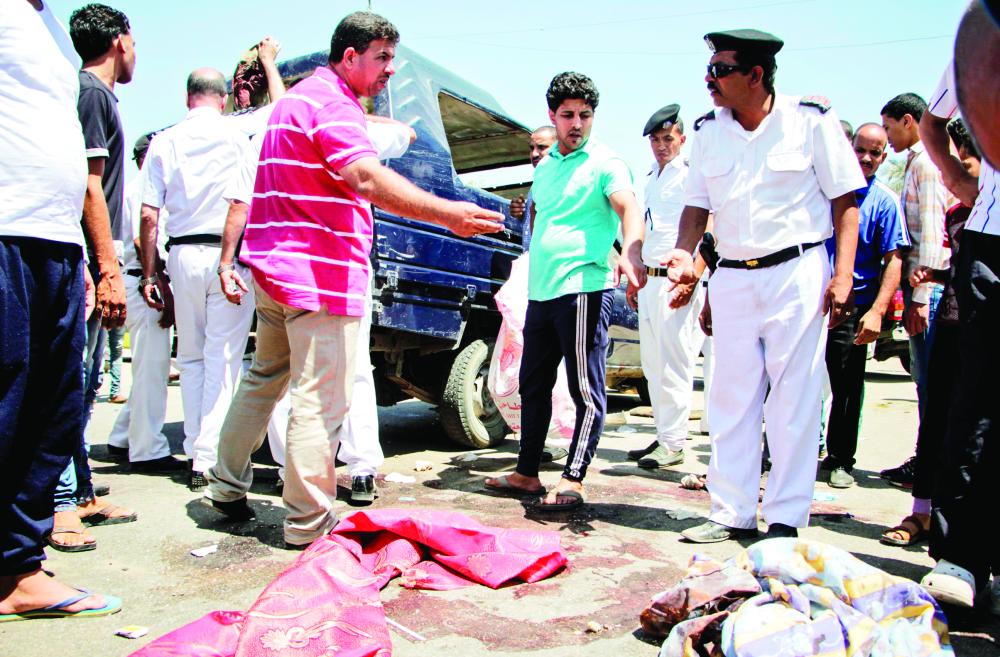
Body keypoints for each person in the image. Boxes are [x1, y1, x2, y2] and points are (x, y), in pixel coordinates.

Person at [203, 11, 503, 548]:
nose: (390, 70)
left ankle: (225, 488)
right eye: (382, 58)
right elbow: (363, 175)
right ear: (350, 57)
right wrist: (447, 213)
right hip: (319, 276)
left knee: (263, 381)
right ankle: (307, 522)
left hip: (274, 272)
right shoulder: (333, 105)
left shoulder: (294, 102)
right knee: (320, 400)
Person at [664, 29, 864, 543]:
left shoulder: (810, 123)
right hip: (732, 276)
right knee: (729, 400)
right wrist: (689, 257)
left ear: (756, 75)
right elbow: (697, 206)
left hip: (796, 273)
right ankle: (729, 512)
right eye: (709, 69)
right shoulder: (708, 132)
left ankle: (784, 518)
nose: (709, 80)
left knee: (793, 400)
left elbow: (846, 203)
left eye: (721, 70)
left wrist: (843, 275)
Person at [0, 0, 120, 620]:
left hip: (54, 243)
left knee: (52, 409)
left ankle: (17, 568)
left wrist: (101, 259)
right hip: (7, 233)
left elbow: (82, 172)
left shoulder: (44, 28)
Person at [484, 71, 646, 510]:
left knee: (584, 389)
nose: (577, 123)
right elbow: (540, 222)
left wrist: (631, 251)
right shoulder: (548, 167)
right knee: (532, 385)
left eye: (585, 115)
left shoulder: (606, 162)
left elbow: (629, 206)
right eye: (568, 115)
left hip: (583, 289)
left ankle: (574, 476)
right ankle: (527, 473)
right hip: (542, 292)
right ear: (552, 115)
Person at [908, 48, 1000, 610]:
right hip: (994, 246)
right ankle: (961, 556)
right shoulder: (985, 36)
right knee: (977, 405)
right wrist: (962, 181)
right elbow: (934, 121)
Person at [139, 68, 258, 491]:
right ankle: (209, 458)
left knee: (189, 357)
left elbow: (149, 214)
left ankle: (194, 450)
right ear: (223, 98)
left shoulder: (164, 141)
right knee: (223, 359)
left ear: (187, 97)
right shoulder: (238, 135)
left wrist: (151, 272)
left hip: (182, 254)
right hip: (228, 257)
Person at [49, 1, 138, 553]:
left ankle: (79, 491)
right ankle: (57, 506)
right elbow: (88, 184)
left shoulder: (97, 95)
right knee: (67, 386)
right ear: (120, 41)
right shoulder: (91, 94)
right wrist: (106, 268)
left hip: (91, 258)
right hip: (84, 261)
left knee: (82, 389)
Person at [882, 117, 981, 548]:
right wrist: (935, 276)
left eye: (965, 167)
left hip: (980, 330)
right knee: (934, 418)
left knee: (971, 432)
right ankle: (922, 512)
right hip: (953, 324)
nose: (954, 178)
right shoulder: (961, 211)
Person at [820, 123, 908, 488]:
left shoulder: (884, 201)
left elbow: (895, 259)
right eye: (861, 150)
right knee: (793, 381)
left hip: (853, 307)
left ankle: (841, 460)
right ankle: (779, 452)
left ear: (884, 156)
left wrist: (876, 311)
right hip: (811, 301)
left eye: (875, 152)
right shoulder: (824, 190)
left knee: (847, 385)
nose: (867, 158)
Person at [625, 105, 708, 470]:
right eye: (655, 140)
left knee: (675, 361)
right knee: (652, 364)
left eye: (667, 139)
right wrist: (636, 272)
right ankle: (663, 434)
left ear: (682, 140)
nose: (661, 146)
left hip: (677, 281)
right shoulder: (652, 178)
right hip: (650, 280)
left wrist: (694, 276)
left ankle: (674, 443)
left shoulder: (691, 176)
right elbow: (647, 229)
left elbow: (707, 227)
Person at [878, 93, 954, 488]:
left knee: (930, 386)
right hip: (927, 290)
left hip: (930, 291)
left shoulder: (925, 164)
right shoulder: (917, 162)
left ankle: (930, 467)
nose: (888, 138)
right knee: (926, 384)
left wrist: (921, 298)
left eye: (889, 128)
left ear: (908, 121)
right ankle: (927, 462)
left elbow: (931, 233)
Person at [105, 134, 184, 472]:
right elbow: (142, 238)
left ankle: (123, 436)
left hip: (141, 277)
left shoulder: (138, 184)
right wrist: (161, 283)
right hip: (144, 279)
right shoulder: (143, 186)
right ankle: (148, 449)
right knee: (152, 371)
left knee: (146, 368)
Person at [510, 126, 557, 251]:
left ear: (559, 148)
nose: (534, 154)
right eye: (532, 148)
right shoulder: (536, 185)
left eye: (542, 147)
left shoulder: (567, 183)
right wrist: (522, 215)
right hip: (533, 263)